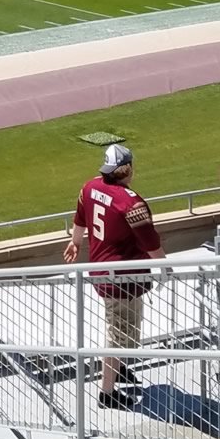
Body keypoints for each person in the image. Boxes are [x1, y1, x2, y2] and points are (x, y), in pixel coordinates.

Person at [64, 144, 164, 408]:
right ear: (128, 168)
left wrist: (75, 243)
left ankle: (116, 370)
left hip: (100, 271)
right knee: (119, 335)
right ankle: (107, 393)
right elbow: (151, 242)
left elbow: (80, 218)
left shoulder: (90, 187)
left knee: (124, 331)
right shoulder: (130, 202)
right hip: (123, 278)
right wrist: (165, 268)